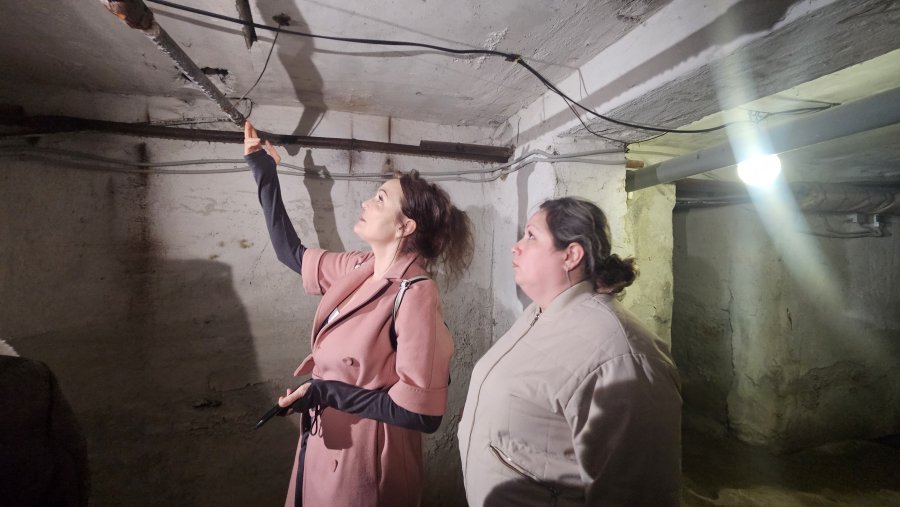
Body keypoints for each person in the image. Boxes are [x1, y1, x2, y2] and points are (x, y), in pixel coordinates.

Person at [242, 121, 473, 507]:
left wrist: (325, 391)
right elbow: (291, 253)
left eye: (380, 199)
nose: (367, 203)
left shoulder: (416, 292)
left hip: (366, 461)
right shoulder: (360, 267)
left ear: (405, 225)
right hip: (324, 444)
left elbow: (422, 415)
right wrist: (263, 170)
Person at [457, 197, 682, 507]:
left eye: (531, 236)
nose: (516, 247)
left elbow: (637, 492)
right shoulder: (540, 312)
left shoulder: (623, 356)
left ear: (571, 255)